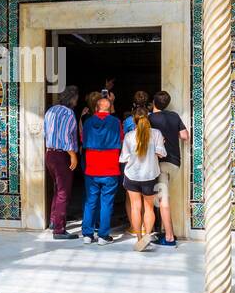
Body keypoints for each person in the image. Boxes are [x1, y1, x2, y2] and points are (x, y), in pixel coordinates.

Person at [120, 104, 166, 252]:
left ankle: (139, 238)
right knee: (149, 208)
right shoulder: (156, 133)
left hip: (132, 176)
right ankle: (147, 236)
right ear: (148, 118)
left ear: (134, 120)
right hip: (149, 175)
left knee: (135, 207)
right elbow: (161, 154)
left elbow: (124, 158)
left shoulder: (128, 136)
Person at [80, 91, 123, 245]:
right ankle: (103, 236)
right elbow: (122, 139)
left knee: (90, 201)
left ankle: (87, 234)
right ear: (110, 108)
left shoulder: (88, 122)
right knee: (106, 203)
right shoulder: (116, 122)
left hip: (92, 167)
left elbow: (82, 140)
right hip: (110, 168)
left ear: (96, 108)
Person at [149, 90, 190, 247]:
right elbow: (185, 136)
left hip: (160, 164)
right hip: (175, 163)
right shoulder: (174, 116)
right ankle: (165, 230)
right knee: (162, 198)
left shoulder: (150, 118)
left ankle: (169, 236)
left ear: (154, 102)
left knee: (163, 200)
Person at [42, 85, 80, 240]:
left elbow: (45, 132)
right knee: (64, 191)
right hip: (61, 155)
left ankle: (53, 220)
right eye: (76, 98)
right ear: (72, 98)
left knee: (58, 188)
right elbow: (65, 138)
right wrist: (73, 155)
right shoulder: (69, 113)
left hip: (50, 154)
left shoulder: (50, 111)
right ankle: (59, 230)